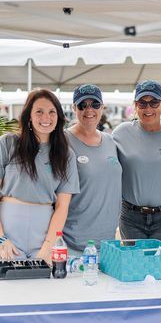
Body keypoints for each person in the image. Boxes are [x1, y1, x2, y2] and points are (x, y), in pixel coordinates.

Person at [0, 88, 79, 261]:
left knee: (43, 287)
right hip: (8, 235)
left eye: (51, 112)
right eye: (39, 112)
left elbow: (62, 206)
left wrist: (49, 245)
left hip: (44, 238)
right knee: (6, 287)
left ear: (59, 117)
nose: (46, 118)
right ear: (29, 116)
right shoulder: (7, 144)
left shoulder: (66, 155)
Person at [113, 80, 161, 243]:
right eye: (142, 103)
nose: (148, 108)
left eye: (154, 103)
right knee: (134, 267)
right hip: (131, 217)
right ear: (135, 106)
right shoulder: (121, 133)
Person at [64, 84, 122, 254]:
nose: (89, 110)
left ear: (102, 107)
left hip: (108, 243)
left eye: (95, 104)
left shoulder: (111, 141)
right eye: (83, 105)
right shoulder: (62, 141)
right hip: (73, 244)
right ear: (74, 108)